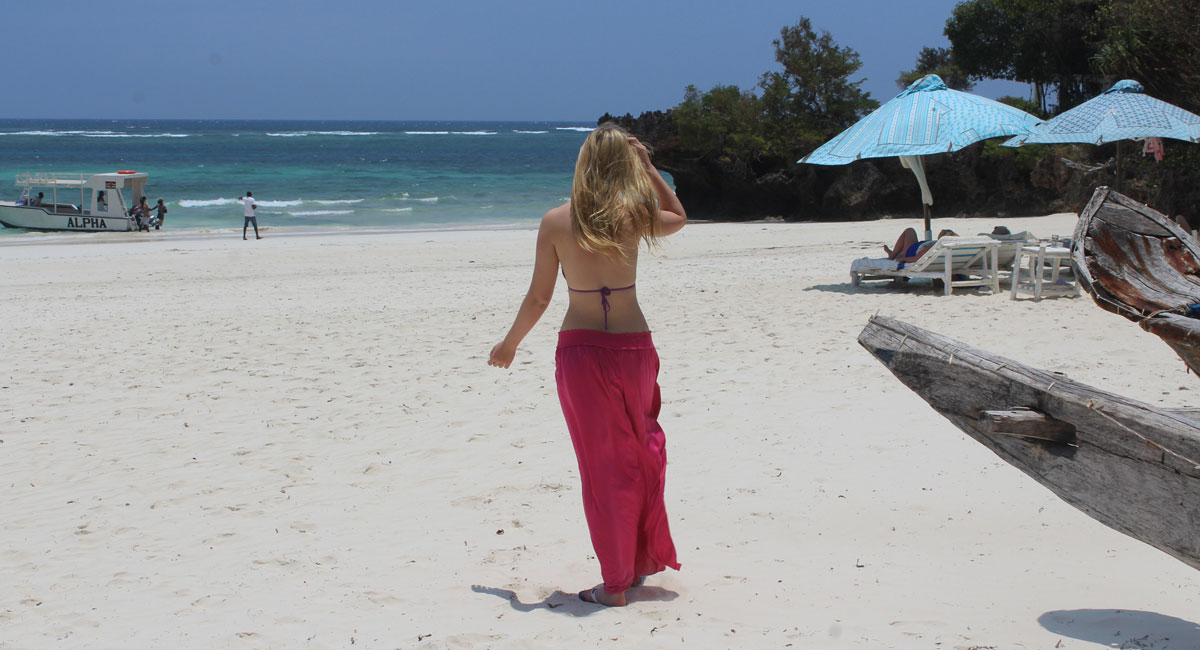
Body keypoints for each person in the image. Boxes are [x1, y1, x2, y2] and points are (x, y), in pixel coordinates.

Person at [488, 124, 687, 608]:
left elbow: (539, 297)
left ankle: (616, 582)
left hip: (581, 353)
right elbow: (678, 216)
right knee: (642, 451)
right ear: (624, 166)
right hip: (634, 349)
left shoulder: (557, 221)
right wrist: (648, 168)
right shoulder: (635, 215)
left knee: (603, 468)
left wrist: (509, 343)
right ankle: (635, 567)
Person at [883, 227, 958, 263]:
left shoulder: (935, 246)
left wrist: (903, 259)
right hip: (918, 248)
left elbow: (916, 258)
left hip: (911, 252)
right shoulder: (956, 247)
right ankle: (893, 253)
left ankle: (892, 255)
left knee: (909, 231)